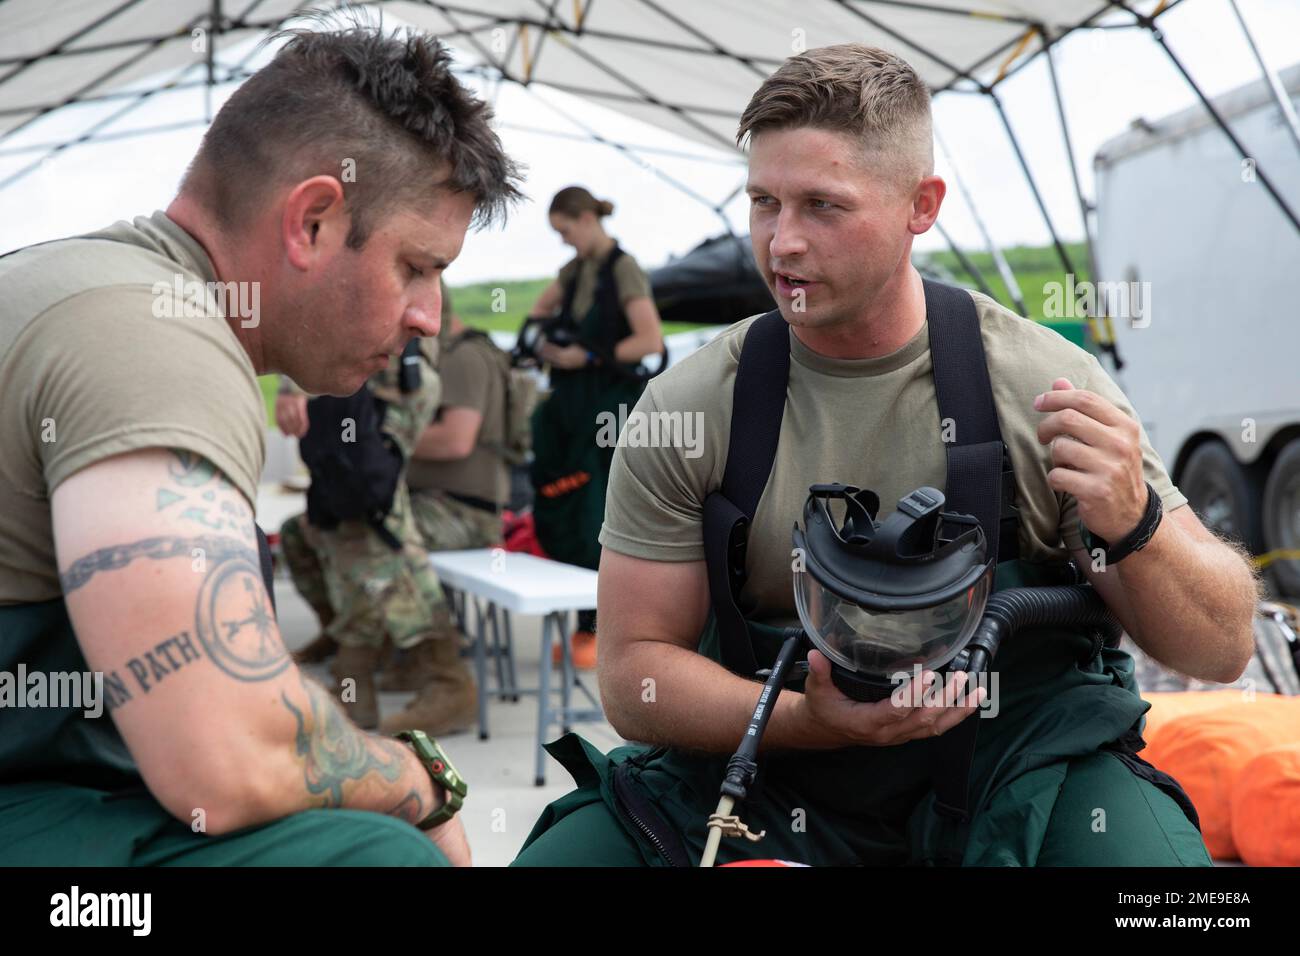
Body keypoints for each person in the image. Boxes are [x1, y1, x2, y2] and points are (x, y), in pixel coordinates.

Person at [512, 44, 1259, 867]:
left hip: (1021, 764)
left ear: (921, 204)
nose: (782, 243)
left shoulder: (1044, 388)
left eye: (823, 206)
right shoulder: (691, 408)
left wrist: (1137, 523)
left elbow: (1219, 650)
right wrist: (805, 721)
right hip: (766, 761)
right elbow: (632, 673)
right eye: (764, 202)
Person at [0, 22, 521, 866]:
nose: (428, 313)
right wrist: (420, 781)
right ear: (313, 220)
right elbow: (227, 760)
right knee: (376, 857)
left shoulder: (87, 285)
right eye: (417, 266)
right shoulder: (157, 342)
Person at [277, 338, 472, 736]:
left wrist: (292, 385)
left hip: (388, 369)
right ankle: (354, 682)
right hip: (363, 366)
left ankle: (448, 682)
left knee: (376, 523)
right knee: (344, 523)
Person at [524, 186, 665, 669]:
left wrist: (586, 355)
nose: (564, 241)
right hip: (571, 406)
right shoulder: (574, 270)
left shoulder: (622, 269)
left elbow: (649, 339)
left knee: (596, 516)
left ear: (585, 219)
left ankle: (599, 629)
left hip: (607, 409)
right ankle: (584, 622)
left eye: (565, 231)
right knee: (563, 504)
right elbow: (537, 314)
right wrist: (545, 343)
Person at [370, 288, 513, 729]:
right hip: (430, 503)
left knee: (381, 538)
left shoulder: (464, 359)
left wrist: (384, 438)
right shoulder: (435, 359)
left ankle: (449, 682)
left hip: (466, 513)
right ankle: (394, 654)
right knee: (323, 526)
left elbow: (455, 440)